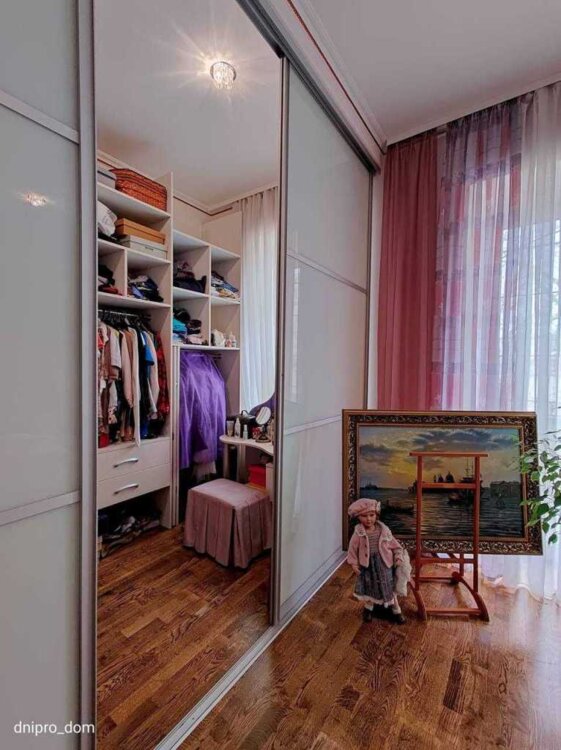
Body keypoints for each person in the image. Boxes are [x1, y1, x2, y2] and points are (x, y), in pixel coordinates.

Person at [346, 498, 409, 624]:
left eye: (371, 515)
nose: (369, 519)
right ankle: (369, 608)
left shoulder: (383, 530)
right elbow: (352, 549)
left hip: (384, 563)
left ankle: (396, 609)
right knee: (371, 587)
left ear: (376, 515)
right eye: (364, 516)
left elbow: (395, 545)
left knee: (389, 586)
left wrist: (398, 556)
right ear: (358, 517)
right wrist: (353, 563)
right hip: (368, 566)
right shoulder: (358, 533)